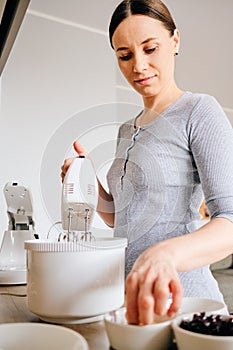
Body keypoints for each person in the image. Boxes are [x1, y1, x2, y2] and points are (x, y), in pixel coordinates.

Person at [61, 0, 233, 325]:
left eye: (150, 48)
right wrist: (84, 179)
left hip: (188, 306)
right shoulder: (128, 128)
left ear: (175, 41)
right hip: (132, 305)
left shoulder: (199, 112)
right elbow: (121, 218)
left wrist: (165, 253)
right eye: (125, 55)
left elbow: (230, 220)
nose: (138, 65)